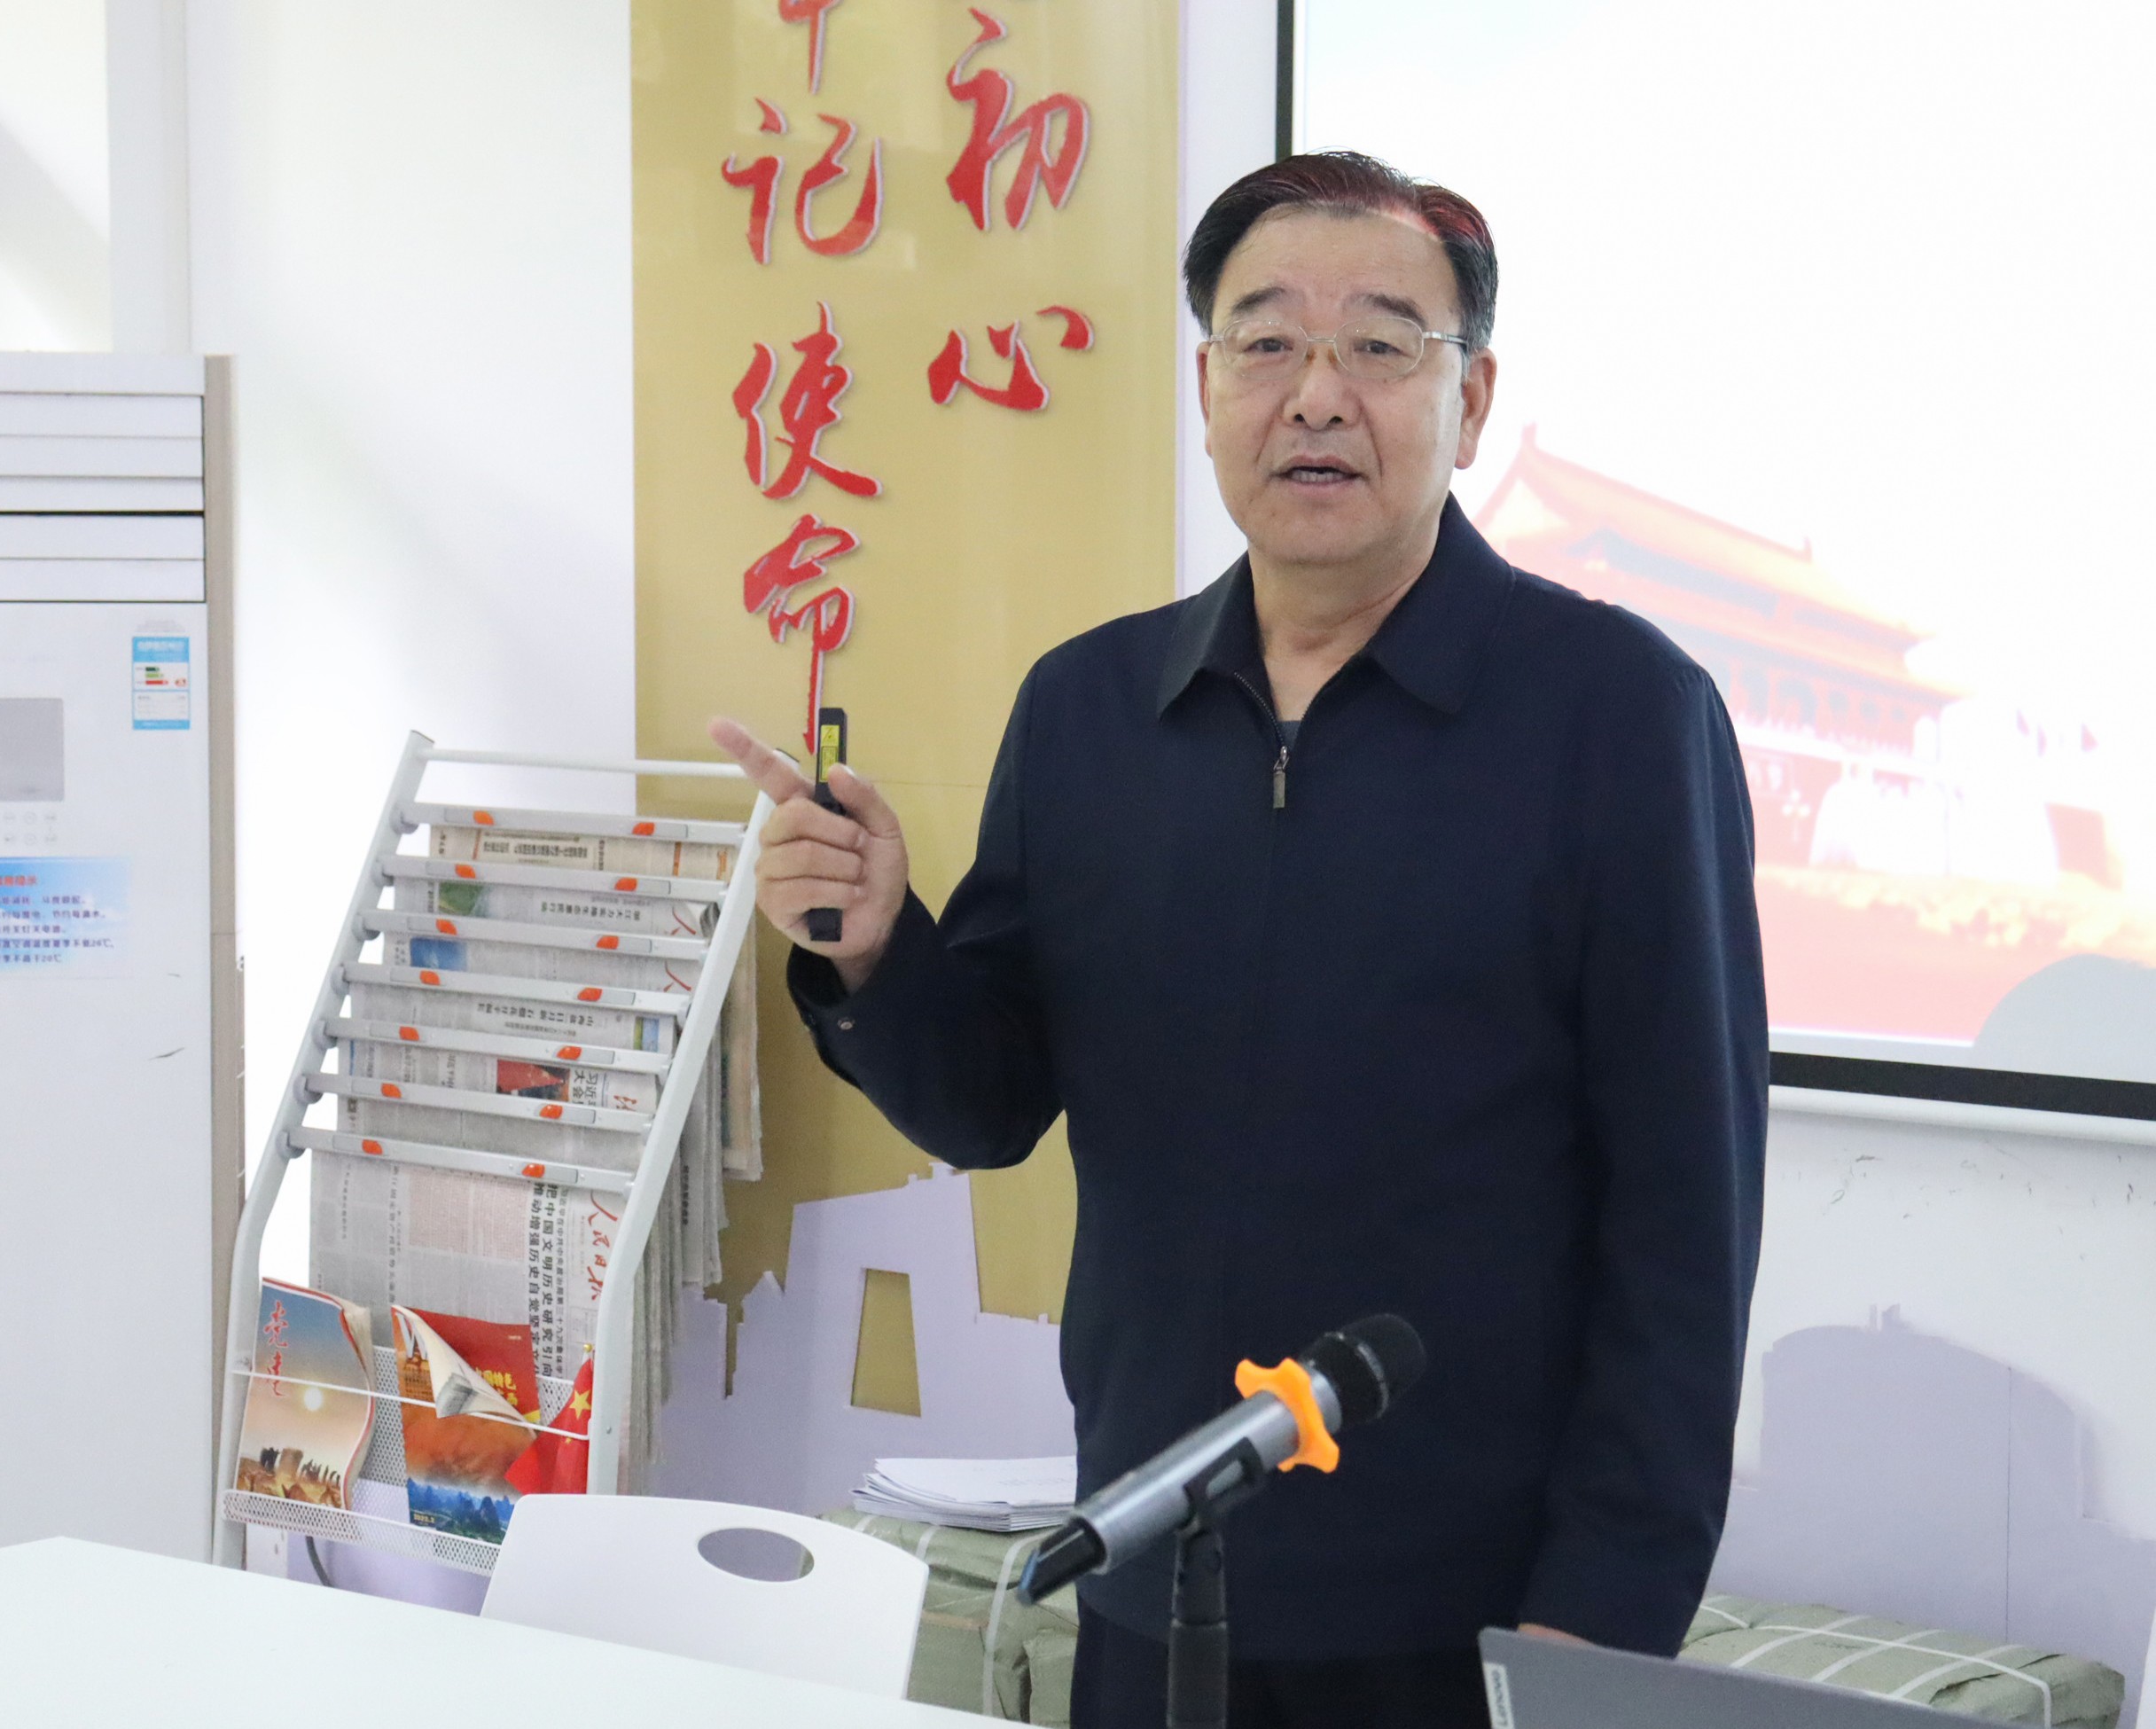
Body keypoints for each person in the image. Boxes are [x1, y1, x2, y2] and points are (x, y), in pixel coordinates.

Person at [712, 151, 1767, 1729]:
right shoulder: (1091, 708)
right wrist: (873, 949)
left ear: (1471, 402)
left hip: (1466, 1623)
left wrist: (1594, 1636)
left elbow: (1686, 1218)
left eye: (1381, 344)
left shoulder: (1618, 715)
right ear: (1208, 390)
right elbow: (988, 1101)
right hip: (1152, 1564)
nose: (1316, 395)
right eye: (1267, 342)